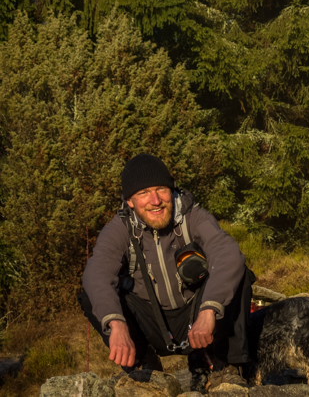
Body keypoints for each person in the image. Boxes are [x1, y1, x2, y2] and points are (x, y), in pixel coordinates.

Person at [79, 154, 254, 385]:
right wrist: (116, 324)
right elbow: (97, 274)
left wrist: (209, 309)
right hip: (150, 321)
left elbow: (227, 254)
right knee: (89, 295)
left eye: (161, 189)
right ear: (129, 201)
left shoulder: (193, 216)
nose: (155, 200)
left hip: (197, 316)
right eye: (143, 193)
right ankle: (142, 361)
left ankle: (226, 363)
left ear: (171, 190)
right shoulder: (119, 229)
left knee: (239, 275)